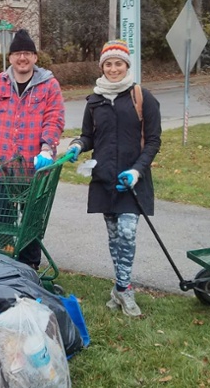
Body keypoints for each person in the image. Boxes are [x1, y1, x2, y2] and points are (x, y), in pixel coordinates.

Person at [66, 39, 161, 316]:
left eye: (118, 63)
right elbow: (88, 136)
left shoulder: (142, 97)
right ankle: (120, 287)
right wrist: (76, 146)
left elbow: (154, 141)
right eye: (108, 64)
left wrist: (136, 170)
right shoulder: (94, 101)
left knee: (127, 234)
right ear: (102, 67)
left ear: (126, 65)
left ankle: (124, 289)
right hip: (104, 179)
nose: (113, 68)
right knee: (114, 237)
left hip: (132, 180)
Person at [0, 29, 65, 269]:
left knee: (31, 226)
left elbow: (54, 119)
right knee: (0, 222)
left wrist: (47, 149)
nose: (22, 58)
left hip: (34, 171)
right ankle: (2, 268)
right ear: (10, 58)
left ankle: (29, 271)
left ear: (35, 57)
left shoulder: (49, 86)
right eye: (17, 54)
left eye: (27, 53)